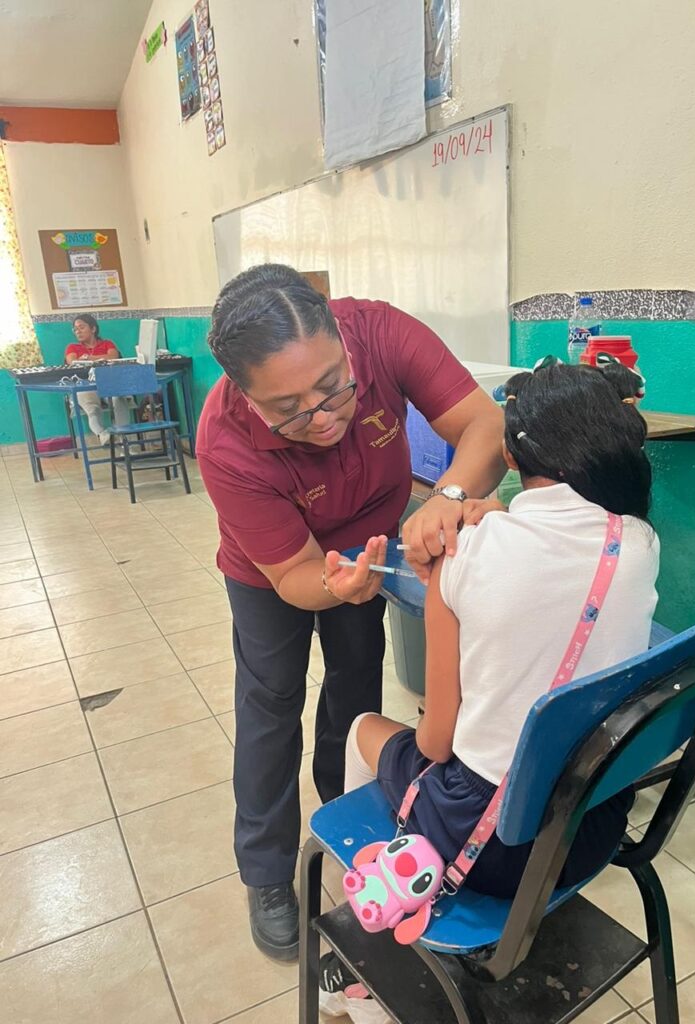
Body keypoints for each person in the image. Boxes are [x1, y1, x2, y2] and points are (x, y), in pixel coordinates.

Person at [320, 358, 658, 1022]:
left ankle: (365, 954)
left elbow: (435, 743)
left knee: (362, 730)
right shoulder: (641, 542)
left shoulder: (466, 554)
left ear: (507, 454)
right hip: (590, 827)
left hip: (491, 850)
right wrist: (492, 517)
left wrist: (461, 547)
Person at [196, 264, 506, 961]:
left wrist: (448, 497)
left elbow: (485, 425)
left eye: (334, 385)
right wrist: (336, 587)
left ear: (340, 335)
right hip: (273, 571)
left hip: (373, 542)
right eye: (289, 408)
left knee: (357, 685)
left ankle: (347, 819)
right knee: (271, 704)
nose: (323, 415)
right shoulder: (224, 442)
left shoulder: (381, 332)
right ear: (244, 394)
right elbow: (294, 576)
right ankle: (267, 872)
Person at [64, 313, 130, 444]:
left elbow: (113, 357)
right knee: (92, 409)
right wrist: (101, 358)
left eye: (82, 327)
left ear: (93, 329)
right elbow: (73, 362)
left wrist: (87, 358)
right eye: (75, 329)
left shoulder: (107, 343)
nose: (78, 331)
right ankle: (103, 434)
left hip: (108, 382)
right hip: (84, 385)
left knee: (118, 399)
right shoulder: (72, 347)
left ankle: (123, 437)